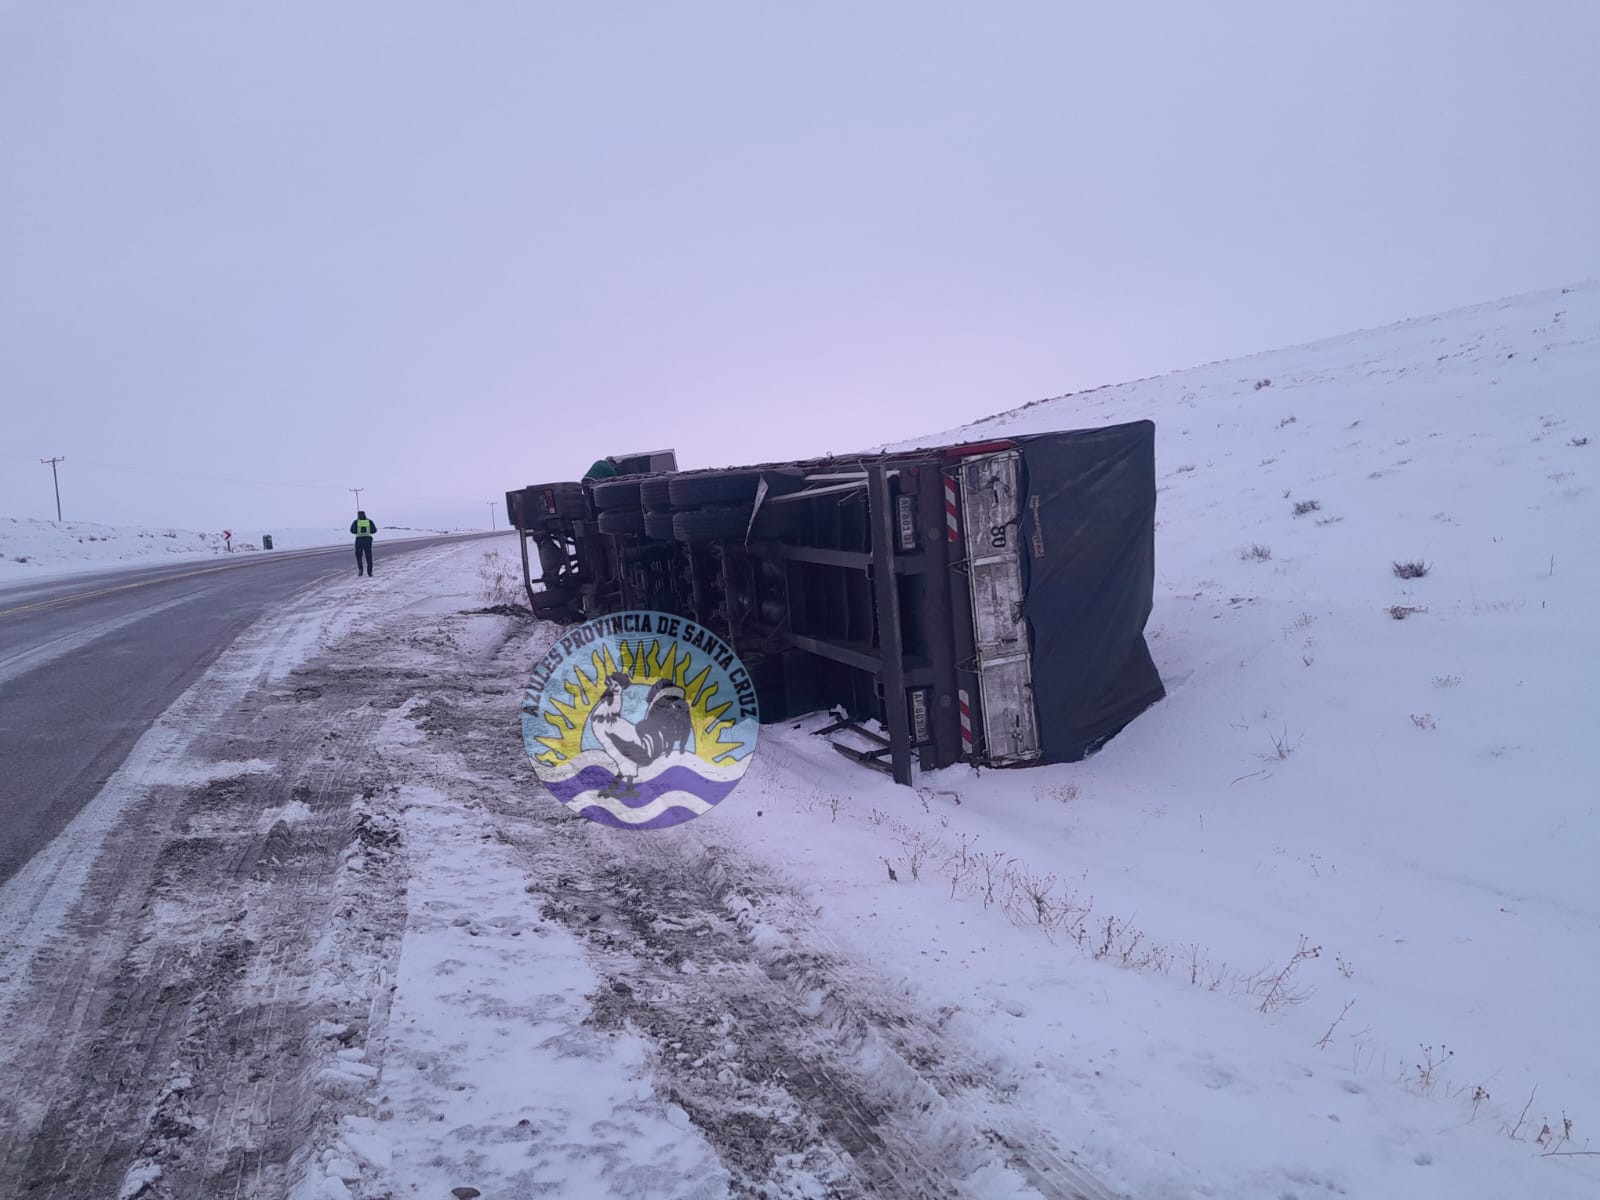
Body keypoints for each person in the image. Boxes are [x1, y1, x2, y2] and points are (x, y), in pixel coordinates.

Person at [350, 511, 377, 575]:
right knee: (368, 556)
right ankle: (369, 572)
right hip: (368, 540)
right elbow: (374, 530)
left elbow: (352, 531)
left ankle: (360, 569)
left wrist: (358, 531)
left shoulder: (356, 522)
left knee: (359, 555)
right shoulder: (369, 521)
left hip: (359, 540)